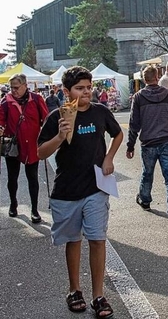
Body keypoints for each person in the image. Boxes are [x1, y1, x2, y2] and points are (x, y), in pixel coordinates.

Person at [37, 66, 123, 317]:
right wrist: (60, 136)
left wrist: (109, 158)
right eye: (80, 88)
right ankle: (75, 289)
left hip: (96, 187)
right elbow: (41, 152)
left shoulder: (100, 112)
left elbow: (117, 134)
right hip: (66, 189)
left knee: (97, 239)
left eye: (89, 87)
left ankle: (99, 295)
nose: (87, 92)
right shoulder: (57, 116)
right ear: (66, 91)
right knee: (73, 241)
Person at [126, 65, 168, 225]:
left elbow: (134, 124)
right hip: (167, 140)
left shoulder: (139, 97)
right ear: (157, 77)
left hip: (148, 142)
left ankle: (145, 200)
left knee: (147, 173)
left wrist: (130, 145)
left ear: (144, 80)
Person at [0, 73, 49, 222]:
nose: (13, 91)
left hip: (32, 146)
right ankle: (13, 204)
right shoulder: (5, 102)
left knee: (32, 178)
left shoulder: (36, 99)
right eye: (11, 88)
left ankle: (34, 210)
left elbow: (46, 119)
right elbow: (1, 119)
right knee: (12, 178)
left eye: (16, 88)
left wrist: (46, 137)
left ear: (25, 85)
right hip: (13, 146)